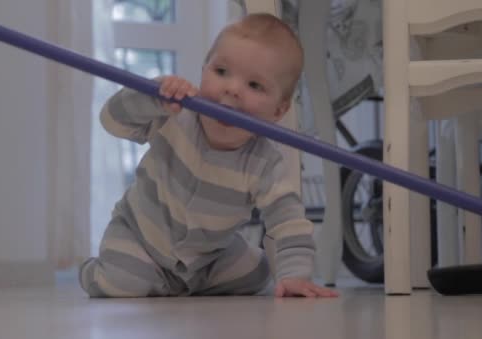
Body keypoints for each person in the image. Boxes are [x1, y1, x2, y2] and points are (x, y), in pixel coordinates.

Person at [80, 13, 338, 298]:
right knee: (125, 283)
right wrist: (153, 97)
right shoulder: (176, 115)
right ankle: (93, 271)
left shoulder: (265, 163)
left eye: (254, 85)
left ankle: (182, 282)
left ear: (278, 110)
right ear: (204, 68)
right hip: (141, 237)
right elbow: (112, 121)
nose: (232, 89)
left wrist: (294, 276)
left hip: (207, 258)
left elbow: (287, 221)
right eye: (221, 72)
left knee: (258, 272)